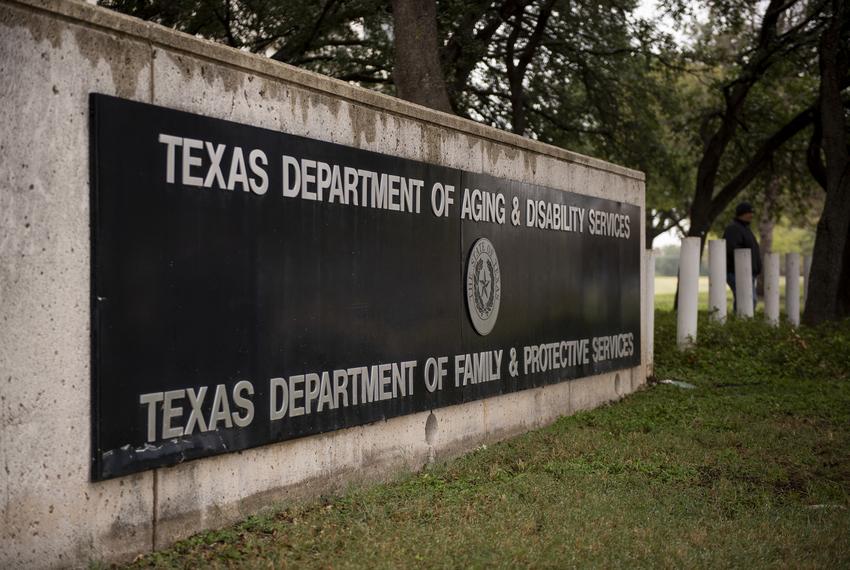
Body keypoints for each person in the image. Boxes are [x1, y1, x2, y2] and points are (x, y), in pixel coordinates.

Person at [723, 202, 761, 313]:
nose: (751, 215)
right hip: (736, 272)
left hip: (747, 273)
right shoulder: (733, 229)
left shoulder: (745, 229)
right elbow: (731, 250)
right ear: (742, 213)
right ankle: (740, 323)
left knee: (745, 300)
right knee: (748, 300)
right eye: (749, 212)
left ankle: (739, 324)